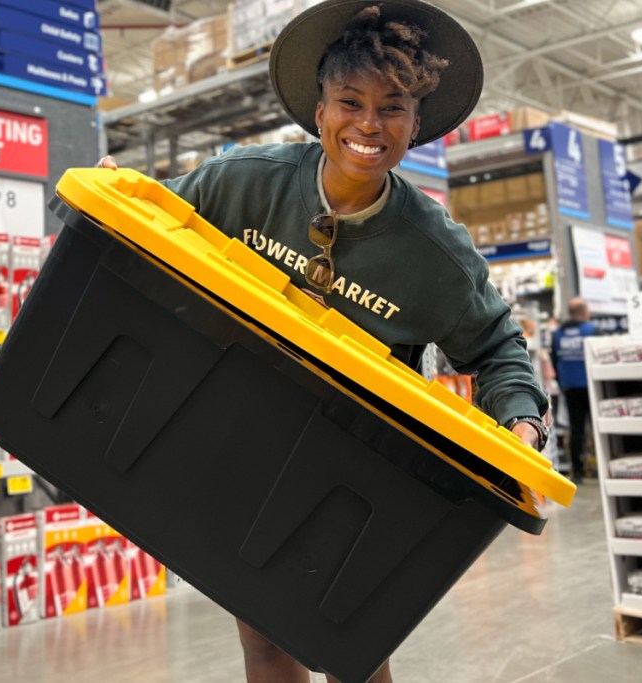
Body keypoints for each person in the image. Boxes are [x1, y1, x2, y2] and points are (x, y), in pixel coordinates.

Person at [100, 1, 550, 680]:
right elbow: (153, 226)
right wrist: (112, 194)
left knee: (352, 648)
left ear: (416, 123)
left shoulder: (435, 254)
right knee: (264, 641)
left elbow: (495, 347)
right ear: (320, 111)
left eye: (392, 107)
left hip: (363, 470)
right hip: (247, 448)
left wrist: (519, 419)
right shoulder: (240, 184)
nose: (369, 124)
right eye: (350, 101)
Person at [550, 297, 597, 484]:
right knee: (597, 428)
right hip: (593, 387)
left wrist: (562, 383)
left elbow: (555, 361)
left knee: (576, 430)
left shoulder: (558, 334)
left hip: (570, 388)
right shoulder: (592, 331)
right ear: (585, 312)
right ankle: (601, 470)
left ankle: (577, 473)